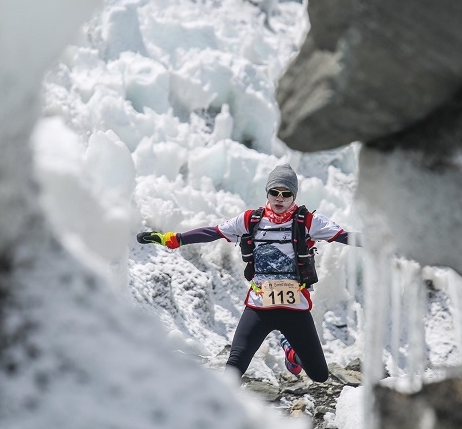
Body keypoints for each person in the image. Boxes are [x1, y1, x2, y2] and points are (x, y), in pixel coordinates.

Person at [137, 164, 358, 382]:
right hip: (259, 307)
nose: (279, 198)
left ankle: (291, 351)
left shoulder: (307, 221)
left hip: (295, 308)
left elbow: (345, 236)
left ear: (293, 196)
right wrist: (173, 239)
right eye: (275, 192)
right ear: (268, 193)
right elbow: (212, 232)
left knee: (319, 375)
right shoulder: (250, 220)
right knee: (234, 367)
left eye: (286, 193)